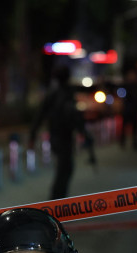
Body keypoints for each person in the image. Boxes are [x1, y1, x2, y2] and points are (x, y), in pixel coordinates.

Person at [29, 64, 94, 200]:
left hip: (56, 135)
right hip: (63, 136)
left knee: (64, 168)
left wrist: (32, 135)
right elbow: (76, 117)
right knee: (65, 169)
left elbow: (40, 115)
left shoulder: (53, 93)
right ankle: (57, 200)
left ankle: (58, 198)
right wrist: (83, 132)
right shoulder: (66, 93)